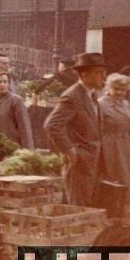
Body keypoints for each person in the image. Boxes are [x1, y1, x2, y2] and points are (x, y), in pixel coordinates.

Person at [44, 52, 108, 207]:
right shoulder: (72, 96)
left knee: (86, 207)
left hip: (91, 161)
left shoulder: (91, 95)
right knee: (77, 209)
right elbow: (52, 125)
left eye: (104, 73)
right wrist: (70, 150)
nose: (104, 78)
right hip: (78, 162)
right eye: (99, 73)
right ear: (85, 75)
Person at [96, 73, 130, 218]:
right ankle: (110, 212)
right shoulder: (100, 104)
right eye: (116, 89)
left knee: (125, 177)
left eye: (123, 90)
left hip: (123, 143)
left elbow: (128, 122)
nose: (120, 93)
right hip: (109, 145)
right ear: (108, 87)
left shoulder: (125, 103)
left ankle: (121, 211)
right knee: (111, 178)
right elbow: (96, 129)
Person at [0, 72, 34, 149]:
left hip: (12, 146)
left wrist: (28, 151)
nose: (2, 84)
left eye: (5, 82)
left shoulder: (16, 101)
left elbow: (25, 128)